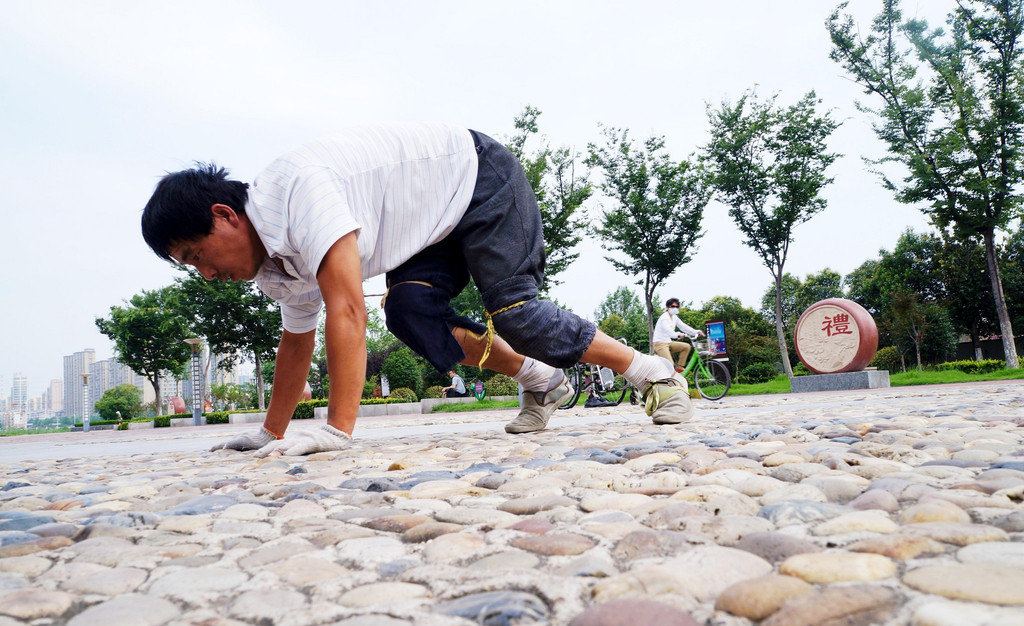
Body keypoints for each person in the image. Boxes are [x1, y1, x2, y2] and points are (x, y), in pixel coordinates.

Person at [141, 123, 693, 457]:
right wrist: (270, 433)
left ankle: (654, 373)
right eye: (190, 269)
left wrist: (338, 431)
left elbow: (348, 310)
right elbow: (297, 342)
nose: (207, 275)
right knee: (407, 310)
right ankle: (543, 382)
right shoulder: (273, 266)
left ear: (224, 216)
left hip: (478, 177)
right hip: (431, 229)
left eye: (197, 256)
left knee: (517, 310)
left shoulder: (296, 195)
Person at [653, 298, 704, 372]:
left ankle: (679, 367)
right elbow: (668, 331)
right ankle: (669, 381)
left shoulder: (674, 317)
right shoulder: (664, 318)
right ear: (668, 307)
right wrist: (677, 335)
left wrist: (696, 332)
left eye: (677, 307)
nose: (675, 308)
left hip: (668, 342)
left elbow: (683, 326)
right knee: (670, 364)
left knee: (686, 347)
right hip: (659, 343)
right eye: (673, 306)